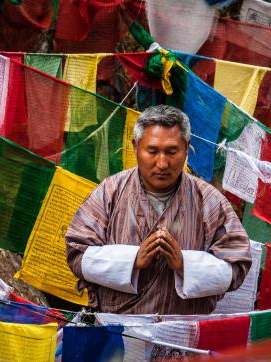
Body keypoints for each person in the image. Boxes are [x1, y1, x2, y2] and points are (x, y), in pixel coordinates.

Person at [65, 105, 252, 314]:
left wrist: (185, 264)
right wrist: (132, 260)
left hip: (182, 335)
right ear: (136, 147)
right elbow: (76, 252)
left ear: (187, 147)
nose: (162, 163)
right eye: (152, 151)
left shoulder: (209, 201)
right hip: (119, 332)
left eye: (172, 151)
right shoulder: (110, 192)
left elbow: (237, 267)